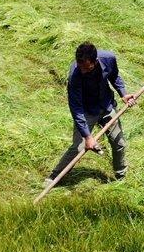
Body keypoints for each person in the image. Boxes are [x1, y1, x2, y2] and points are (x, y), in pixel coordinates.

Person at [46, 42, 136, 184]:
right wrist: (88, 136)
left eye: (87, 68)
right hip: (87, 110)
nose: (83, 71)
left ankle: (121, 176)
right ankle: (54, 177)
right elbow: (76, 108)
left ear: (96, 61)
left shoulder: (109, 58)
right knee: (78, 147)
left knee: (119, 143)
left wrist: (123, 93)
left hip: (106, 106)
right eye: (81, 67)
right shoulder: (74, 75)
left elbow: (115, 76)